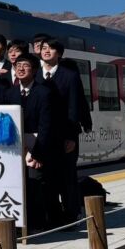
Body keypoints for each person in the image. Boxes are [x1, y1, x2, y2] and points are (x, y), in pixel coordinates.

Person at [2, 53, 64, 229]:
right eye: (17, 65)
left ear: (35, 69)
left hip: (38, 147)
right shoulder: (10, 93)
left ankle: (39, 223)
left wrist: (37, 153)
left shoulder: (44, 93)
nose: (20, 68)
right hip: (15, 147)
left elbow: (47, 126)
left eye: (25, 65)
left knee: (36, 185)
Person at [37, 38, 86, 222]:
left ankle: (71, 214)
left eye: (51, 48)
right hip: (44, 135)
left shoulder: (69, 75)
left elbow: (74, 107)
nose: (46, 51)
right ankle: (52, 215)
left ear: (59, 53)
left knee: (66, 176)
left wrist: (71, 136)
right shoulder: (36, 74)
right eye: (43, 48)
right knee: (46, 176)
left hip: (64, 134)